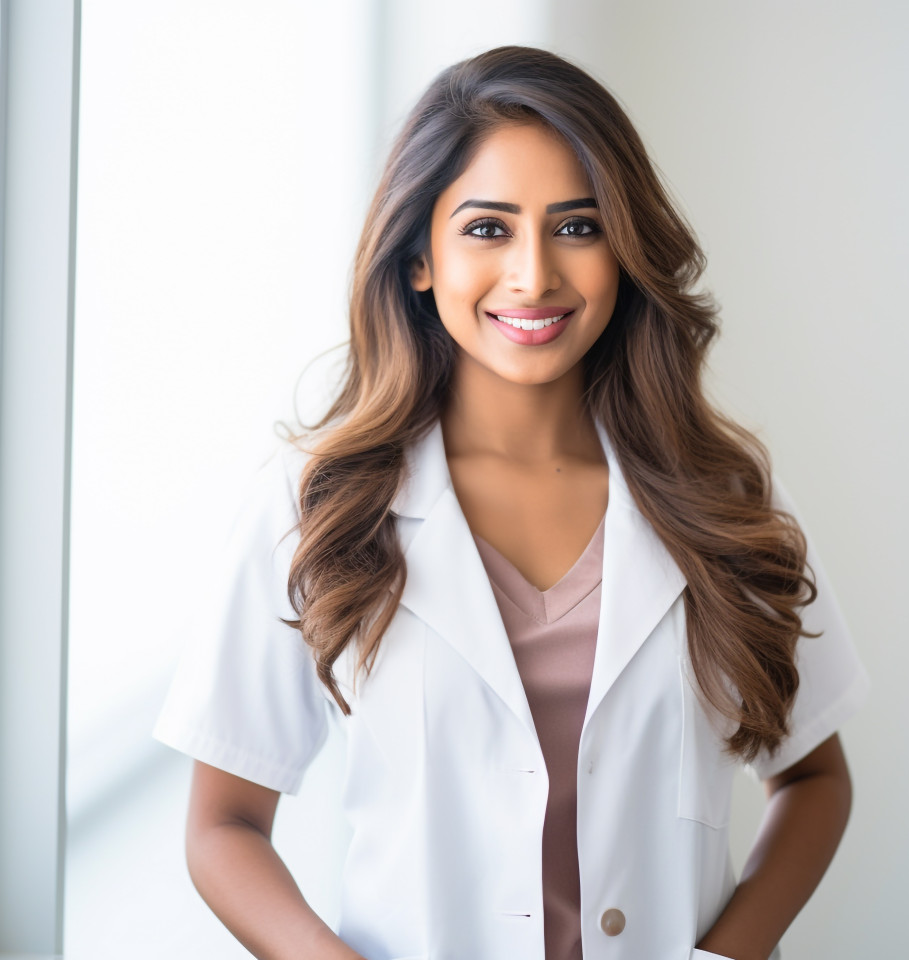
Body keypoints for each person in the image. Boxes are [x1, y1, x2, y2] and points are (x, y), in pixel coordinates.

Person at [154, 46, 868, 960]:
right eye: (488, 230)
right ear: (419, 257)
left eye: (577, 228)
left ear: (625, 247)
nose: (534, 276)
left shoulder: (723, 495)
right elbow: (222, 826)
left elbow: (814, 777)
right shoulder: (316, 507)